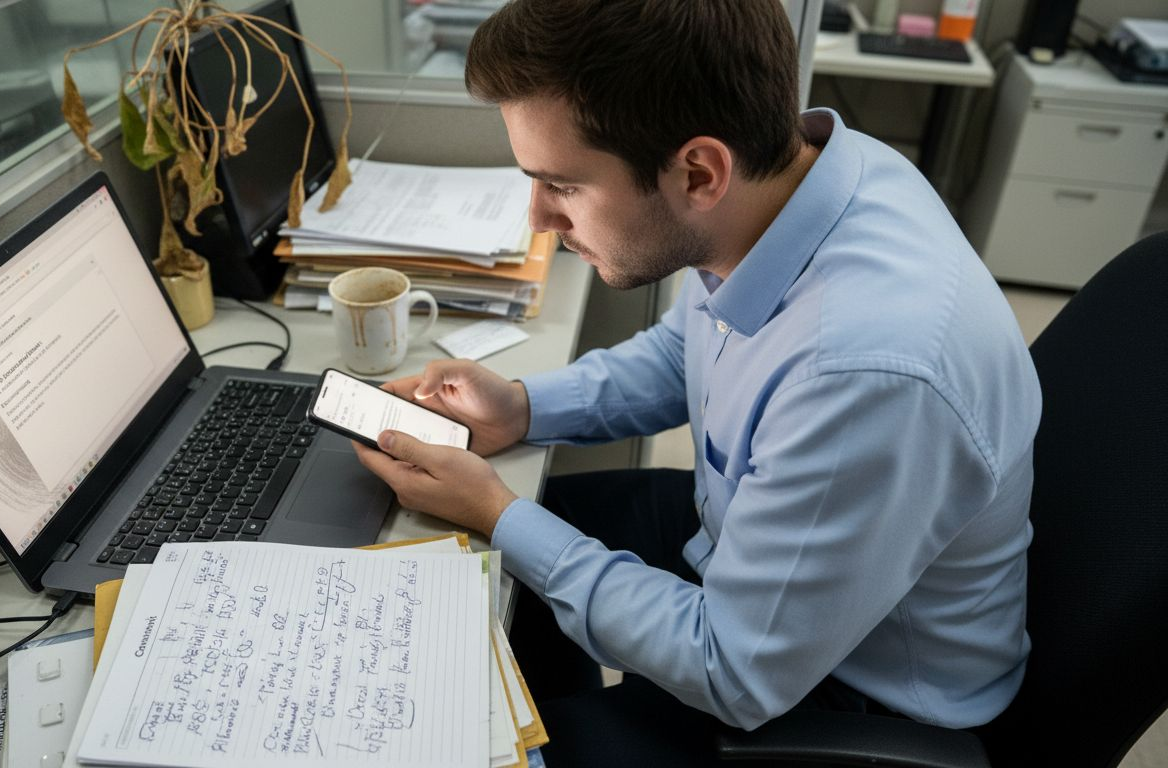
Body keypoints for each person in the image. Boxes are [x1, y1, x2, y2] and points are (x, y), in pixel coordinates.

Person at [351, 0, 1041, 764]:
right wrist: (522, 408)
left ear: (699, 172)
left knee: (472, 738)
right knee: (495, 554)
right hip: (747, 544)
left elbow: (733, 670)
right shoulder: (793, 186)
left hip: (843, 695)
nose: (539, 218)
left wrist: (498, 510)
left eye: (562, 185)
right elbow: (686, 348)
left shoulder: (862, 373)